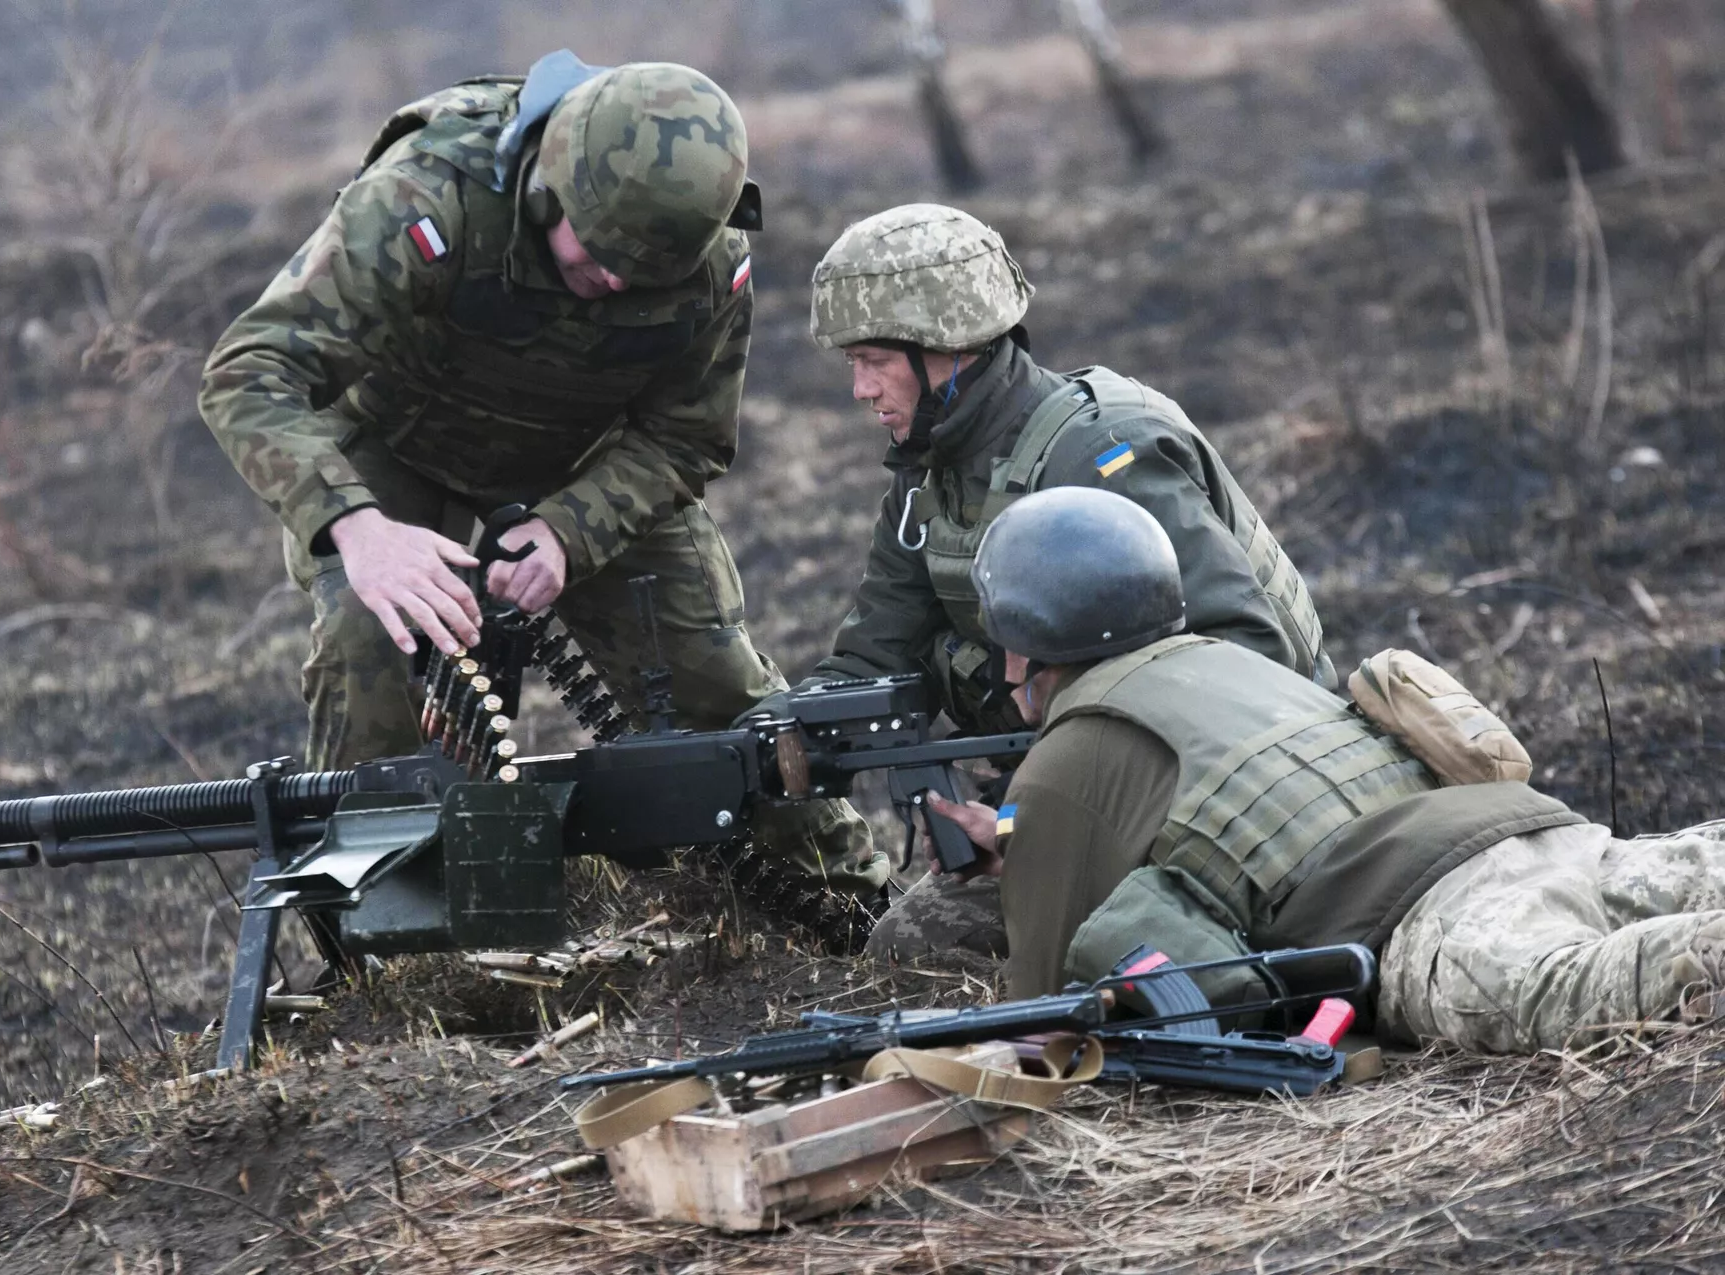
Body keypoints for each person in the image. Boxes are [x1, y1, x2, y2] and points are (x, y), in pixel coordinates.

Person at [198, 51, 884, 896]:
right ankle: (381, 940)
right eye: (598, 258)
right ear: (548, 188)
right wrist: (360, 531)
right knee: (370, 647)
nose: (614, 284)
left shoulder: (707, 259)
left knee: (711, 671)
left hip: (584, 457)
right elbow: (247, 371)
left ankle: (847, 898)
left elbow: (687, 437)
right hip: (397, 440)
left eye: (641, 277)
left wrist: (570, 529)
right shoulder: (429, 196)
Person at [915, 486, 1725, 1054]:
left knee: (1608, 986)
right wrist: (1027, 843)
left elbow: (1044, 1017)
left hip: (1422, 920)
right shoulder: (1224, 660)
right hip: (1530, 833)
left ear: (1028, 640)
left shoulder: (1063, 759)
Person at [798, 204, 1330, 956]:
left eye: (874, 360)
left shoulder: (1101, 455)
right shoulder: (930, 477)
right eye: (852, 362)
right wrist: (788, 729)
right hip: (1079, 789)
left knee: (958, 959)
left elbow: (1246, 660)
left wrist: (1030, 825)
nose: (859, 388)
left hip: (1229, 794)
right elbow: (878, 646)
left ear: (947, 344)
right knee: (908, 948)